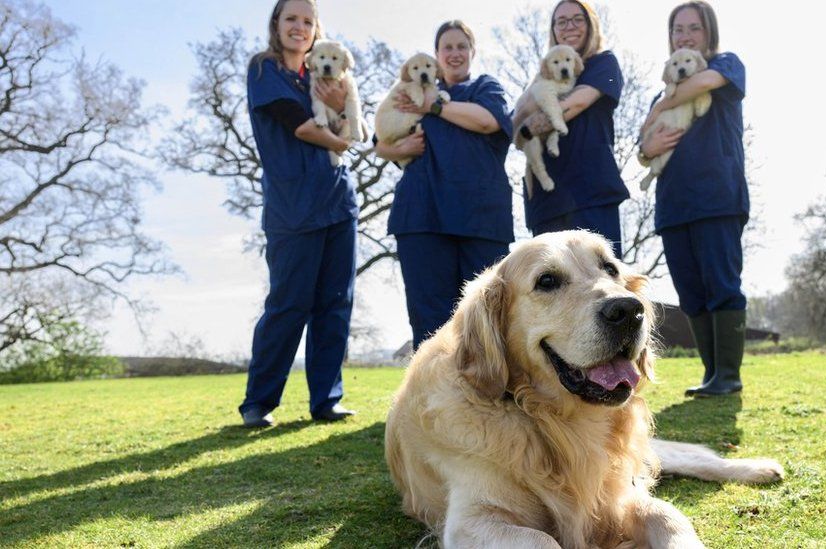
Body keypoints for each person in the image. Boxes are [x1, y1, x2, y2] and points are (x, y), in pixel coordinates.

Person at [239, 0, 358, 427]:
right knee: (289, 303)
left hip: (338, 202)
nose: (299, 27)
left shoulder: (325, 73)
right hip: (293, 206)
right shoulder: (264, 70)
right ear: (277, 23)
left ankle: (326, 400)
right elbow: (303, 126)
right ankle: (259, 401)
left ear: (316, 30)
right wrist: (340, 138)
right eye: (292, 18)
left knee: (336, 303)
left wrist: (343, 110)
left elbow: (347, 120)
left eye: (308, 21)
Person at [376, 21, 514, 350]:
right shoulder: (410, 91)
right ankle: (434, 397)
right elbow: (380, 140)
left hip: (480, 219)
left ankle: (496, 395)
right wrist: (397, 149)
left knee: (490, 315)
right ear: (436, 56)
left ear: (472, 52)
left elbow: (488, 121)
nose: (454, 53)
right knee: (429, 318)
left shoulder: (485, 87)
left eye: (461, 46)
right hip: (421, 216)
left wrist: (434, 106)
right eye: (447, 47)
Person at [639, 1, 748, 397]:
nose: (684, 36)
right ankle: (711, 374)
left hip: (718, 197)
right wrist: (647, 148)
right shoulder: (659, 95)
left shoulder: (726, 66)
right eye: (677, 30)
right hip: (673, 205)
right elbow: (644, 145)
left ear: (709, 33)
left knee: (722, 284)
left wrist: (664, 104)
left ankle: (729, 377)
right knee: (691, 292)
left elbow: (701, 85)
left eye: (693, 29)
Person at [513, 0, 629, 259]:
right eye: (561, 21)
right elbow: (514, 125)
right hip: (546, 200)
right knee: (552, 291)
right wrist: (525, 118)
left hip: (591, 191)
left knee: (604, 283)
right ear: (553, 29)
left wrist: (528, 125)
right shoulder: (542, 76)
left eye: (578, 19)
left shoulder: (603, 64)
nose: (570, 27)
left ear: (590, 25)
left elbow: (576, 102)